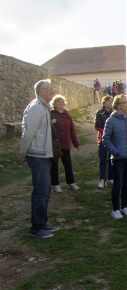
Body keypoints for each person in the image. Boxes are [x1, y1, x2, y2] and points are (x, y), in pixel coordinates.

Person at [18, 79, 59, 238]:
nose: (52, 91)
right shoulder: (36, 107)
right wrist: (23, 153)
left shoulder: (43, 106)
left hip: (44, 154)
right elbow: (28, 133)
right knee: (40, 192)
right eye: (50, 89)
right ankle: (37, 228)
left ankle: (42, 223)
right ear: (42, 90)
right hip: (37, 155)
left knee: (45, 191)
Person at [103, 94, 127, 219]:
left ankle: (124, 206)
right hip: (119, 158)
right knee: (117, 183)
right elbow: (106, 139)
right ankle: (115, 209)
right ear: (118, 105)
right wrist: (115, 151)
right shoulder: (111, 120)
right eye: (125, 102)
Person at [50, 95, 80, 193]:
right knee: (54, 165)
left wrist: (76, 143)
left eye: (62, 102)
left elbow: (72, 130)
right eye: (58, 102)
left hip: (65, 143)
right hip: (55, 144)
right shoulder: (51, 114)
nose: (61, 104)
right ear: (54, 104)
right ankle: (55, 185)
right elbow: (44, 126)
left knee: (68, 164)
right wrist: (51, 123)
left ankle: (71, 183)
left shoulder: (67, 115)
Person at [94, 95, 114, 188]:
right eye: (109, 102)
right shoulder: (99, 112)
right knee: (103, 160)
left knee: (112, 159)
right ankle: (102, 179)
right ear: (104, 102)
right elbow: (96, 125)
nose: (110, 103)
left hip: (113, 140)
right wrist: (106, 132)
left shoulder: (114, 113)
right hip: (102, 140)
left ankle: (110, 177)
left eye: (111, 102)